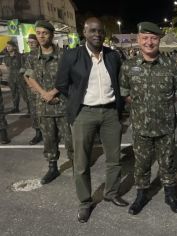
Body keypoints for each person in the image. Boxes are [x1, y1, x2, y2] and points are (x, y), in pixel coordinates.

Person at [55, 17, 128, 223]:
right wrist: (78, 98)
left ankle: (111, 192)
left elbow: (121, 81)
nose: (97, 34)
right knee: (81, 161)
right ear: (84, 33)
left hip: (110, 113)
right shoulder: (72, 56)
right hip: (84, 113)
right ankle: (85, 201)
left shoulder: (113, 55)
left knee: (114, 158)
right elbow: (61, 84)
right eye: (93, 31)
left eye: (100, 31)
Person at [120, 22, 177, 215]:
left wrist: (161, 104)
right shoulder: (128, 66)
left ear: (159, 40)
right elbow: (125, 94)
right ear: (139, 40)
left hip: (165, 126)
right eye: (145, 38)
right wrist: (143, 106)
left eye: (153, 38)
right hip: (141, 126)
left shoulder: (172, 65)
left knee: (168, 162)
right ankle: (141, 195)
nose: (149, 42)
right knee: (141, 163)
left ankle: (170, 194)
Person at [24, 21, 73, 185]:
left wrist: (53, 92)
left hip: (63, 104)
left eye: (44, 33)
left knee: (70, 139)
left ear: (51, 34)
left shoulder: (64, 55)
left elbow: (70, 77)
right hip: (44, 106)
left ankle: (76, 166)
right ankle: (53, 168)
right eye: (38, 33)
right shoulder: (31, 56)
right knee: (49, 139)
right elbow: (28, 77)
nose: (41, 36)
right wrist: (44, 93)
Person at [21, 34, 43, 145]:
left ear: (37, 42)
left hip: (45, 87)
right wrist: (31, 86)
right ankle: (38, 133)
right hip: (33, 90)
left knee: (47, 110)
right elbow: (25, 74)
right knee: (34, 112)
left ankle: (51, 133)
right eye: (29, 42)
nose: (30, 44)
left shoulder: (44, 52)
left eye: (32, 42)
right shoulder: (27, 56)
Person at [3, 41, 30, 113]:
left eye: (9, 46)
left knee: (24, 93)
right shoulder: (6, 57)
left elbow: (24, 66)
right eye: (7, 46)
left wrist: (23, 75)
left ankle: (29, 109)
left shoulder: (20, 56)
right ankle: (16, 108)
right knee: (14, 93)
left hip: (20, 78)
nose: (8, 47)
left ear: (14, 47)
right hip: (11, 78)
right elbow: (8, 67)